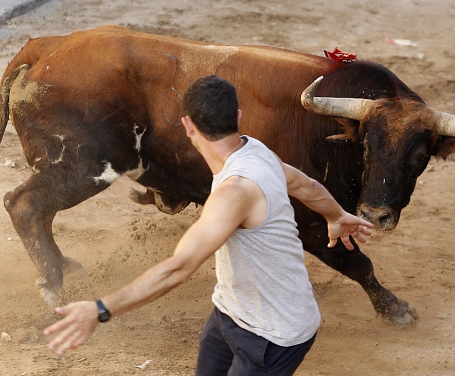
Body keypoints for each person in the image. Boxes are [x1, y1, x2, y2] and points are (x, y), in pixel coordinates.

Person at [44, 75, 374, 375]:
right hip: (230, 312)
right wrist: (336, 216)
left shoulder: (235, 193)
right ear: (238, 118)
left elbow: (179, 268)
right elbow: (306, 186)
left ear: (187, 126)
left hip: (275, 334)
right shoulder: (257, 151)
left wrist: (100, 310)